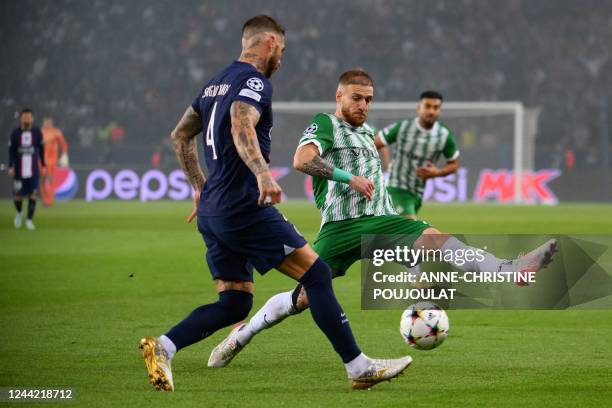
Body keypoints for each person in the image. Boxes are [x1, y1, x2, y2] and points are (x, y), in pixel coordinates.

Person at [209, 69, 557, 367]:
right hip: (341, 227)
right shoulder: (326, 123)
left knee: (431, 239)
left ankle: (507, 271)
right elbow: (302, 160)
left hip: (381, 221)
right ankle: (242, 335)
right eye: (356, 98)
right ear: (340, 96)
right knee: (301, 298)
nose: (363, 106)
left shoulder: (366, 134)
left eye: (368, 100)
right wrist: (350, 179)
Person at [139, 16, 412, 392]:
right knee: (316, 275)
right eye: (282, 49)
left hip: (214, 211)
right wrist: (263, 174)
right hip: (244, 207)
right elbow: (241, 124)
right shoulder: (254, 82)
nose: (281, 58)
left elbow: (180, 135)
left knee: (235, 303)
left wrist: (200, 187)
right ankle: (358, 366)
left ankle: (163, 346)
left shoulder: (214, 83)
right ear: (269, 43)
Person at [374, 90, 459, 219]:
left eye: (435, 107)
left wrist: (437, 173)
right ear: (419, 108)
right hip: (396, 189)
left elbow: (454, 164)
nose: (431, 111)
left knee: (398, 236)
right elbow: (374, 144)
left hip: (417, 195)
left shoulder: (444, 135)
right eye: (427, 106)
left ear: (440, 111)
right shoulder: (403, 128)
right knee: (413, 229)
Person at [8, 108, 45, 230]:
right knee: (18, 196)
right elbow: (11, 151)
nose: (27, 119)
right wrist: (10, 166)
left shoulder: (37, 132)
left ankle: (29, 220)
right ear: (21, 118)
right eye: (25, 117)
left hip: (33, 170)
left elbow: (41, 150)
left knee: (33, 195)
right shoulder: (15, 133)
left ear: (32, 118)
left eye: (29, 117)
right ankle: (19, 213)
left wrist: (43, 165)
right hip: (19, 170)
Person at [40, 116, 69, 206]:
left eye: (49, 122)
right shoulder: (39, 132)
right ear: (43, 123)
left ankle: (49, 201)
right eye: (46, 122)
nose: (47, 124)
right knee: (42, 180)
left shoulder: (56, 132)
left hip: (52, 160)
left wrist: (64, 155)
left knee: (51, 179)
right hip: (40, 160)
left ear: (52, 123)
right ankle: (45, 199)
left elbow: (64, 144)